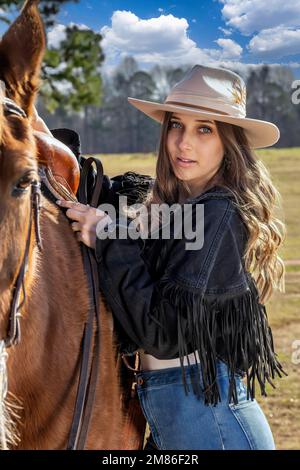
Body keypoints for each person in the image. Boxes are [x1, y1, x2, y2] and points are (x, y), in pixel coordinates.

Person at [42, 65, 287, 450]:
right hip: (177, 420)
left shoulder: (218, 213)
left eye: (204, 129)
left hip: (215, 429)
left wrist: (107, 237)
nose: (183, 143)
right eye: (175, 125)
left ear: (229, 141)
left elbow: (163, 333)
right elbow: (134, 217)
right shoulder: (181, 207)